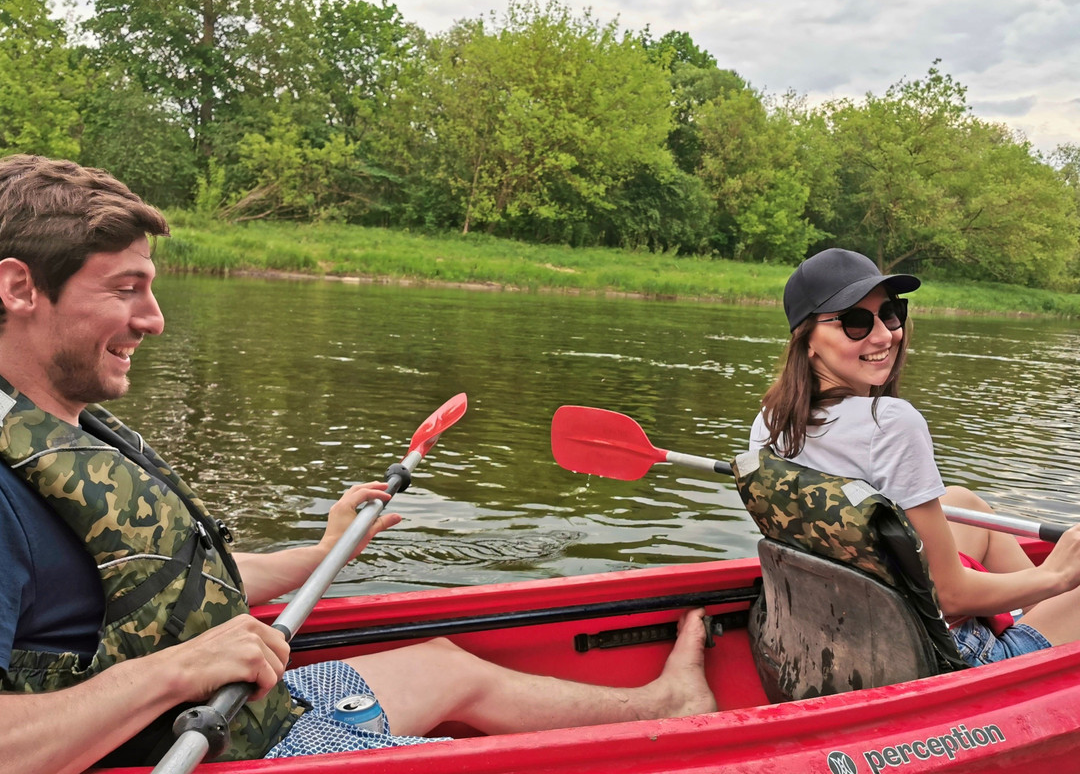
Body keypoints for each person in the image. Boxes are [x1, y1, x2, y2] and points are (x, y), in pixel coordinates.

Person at [0, 154, 716, 774]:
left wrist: (325, 552)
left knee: (446, 667)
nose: (155, 318)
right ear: (20, 288)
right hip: (200, 750)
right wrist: (176, 671)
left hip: (240, 719)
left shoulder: (65, 429)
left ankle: (666, 706)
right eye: (125, 289)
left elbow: (164, 584)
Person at [748, 247, 1080, 668]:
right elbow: (950, 596)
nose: (884, 335)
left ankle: (1033, 617)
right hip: (936, 656)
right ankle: (1029, 633)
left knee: (963, 503)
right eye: (855, 321)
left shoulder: (771, 420)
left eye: (890, 313)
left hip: (839, 633)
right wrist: (1057, 575)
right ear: (807, 339)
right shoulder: (890, 422)